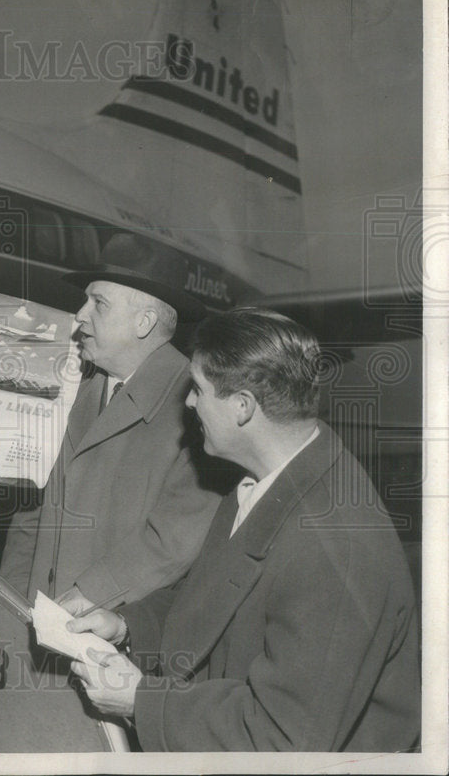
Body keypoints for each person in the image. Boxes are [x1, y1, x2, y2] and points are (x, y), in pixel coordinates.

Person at [68, 308, 420, 751]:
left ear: (242, 407)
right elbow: (214, 599)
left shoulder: (336, 549)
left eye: (198, 389)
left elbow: (281, 741)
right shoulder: (262, 481)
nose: (189, 403)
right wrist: (127, 626)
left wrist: (141, 700)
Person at [0, 239, 230, 609]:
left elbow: (171, 543)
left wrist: (85, 598)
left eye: (98, 304)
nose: (80, 315)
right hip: (33, 625)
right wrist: (9, 599)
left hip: (107, 636)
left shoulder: (197, 408)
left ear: (144, 322)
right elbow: (33, 511)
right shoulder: (72, 387)